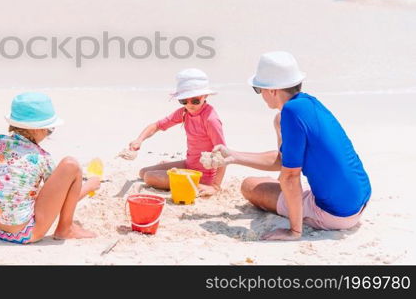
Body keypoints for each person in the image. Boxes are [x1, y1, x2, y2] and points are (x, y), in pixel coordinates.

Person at [214, 51, 371, 240]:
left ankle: (299, 223)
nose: (261, 94)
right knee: (277, 122)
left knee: (249, 186)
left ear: (272, 90)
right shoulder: (308, 104)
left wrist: (294, 231)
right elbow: (283, 160)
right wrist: (234, 156)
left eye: (258, 89)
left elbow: (290, 176)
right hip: (359, 199)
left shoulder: (290, 112)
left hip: (336, 214)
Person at [0, 92, 100, 243]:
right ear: (35, 129)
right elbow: (63, 199)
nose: (49, 134)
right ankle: (66, 229)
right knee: (71, 165)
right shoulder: (42, 157)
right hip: (26, 233)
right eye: (50, 129)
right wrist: (89, 186)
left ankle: (66, 227)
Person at [126, 69, 227, 197]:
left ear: (205, 96)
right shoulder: (185, 112)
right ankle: (178, 173)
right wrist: (139, 140)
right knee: (142, 172)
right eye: (184, 101)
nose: (190, 105)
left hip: (202, 176)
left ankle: (194, 183)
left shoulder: (211, 119)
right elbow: (157, 125)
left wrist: (215, 186)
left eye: (195, 100)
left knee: (149, 177)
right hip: (189, 164)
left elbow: (224, 153)